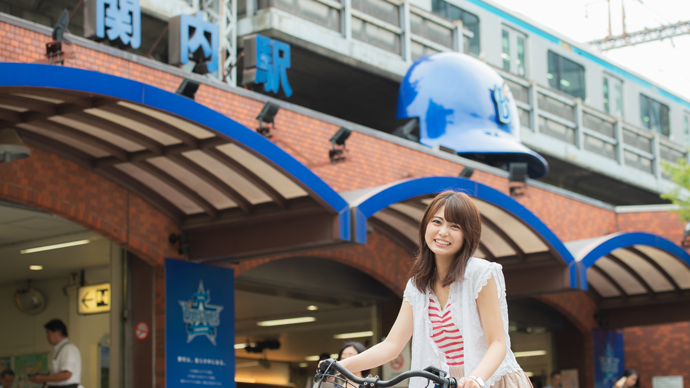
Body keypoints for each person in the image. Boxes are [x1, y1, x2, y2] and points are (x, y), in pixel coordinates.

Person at [322, 191, 533, 388]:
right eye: (437, 222)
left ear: (468, 234)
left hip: (492, 379)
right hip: (453, 382)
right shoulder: (418, 286)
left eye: (455, 226)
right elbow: (392, 345)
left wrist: (476, 379)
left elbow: (497, 343)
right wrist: (340, 366)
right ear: (425, 226)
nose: (443, 232)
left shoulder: (479, 274)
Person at [28, 319, 81, 388]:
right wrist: (40, 376)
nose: (47, 337)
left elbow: (66, 374)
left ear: (59, 332)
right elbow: (56, 374)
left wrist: (43, 379)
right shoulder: (60, 349)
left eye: (48, 333)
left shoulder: (68, 348)